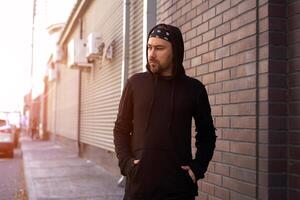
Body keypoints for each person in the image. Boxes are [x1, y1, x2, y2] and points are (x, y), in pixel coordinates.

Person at [113, 23, 216, 200]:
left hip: (178, 189)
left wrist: (197, 167)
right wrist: (127, 164)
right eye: (149, 47)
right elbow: (121, 128)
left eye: (159, 48)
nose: (151, 54)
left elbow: (207, 134)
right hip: (139, 189)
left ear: (175, 51)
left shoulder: (194, 89)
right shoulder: (135, 84)